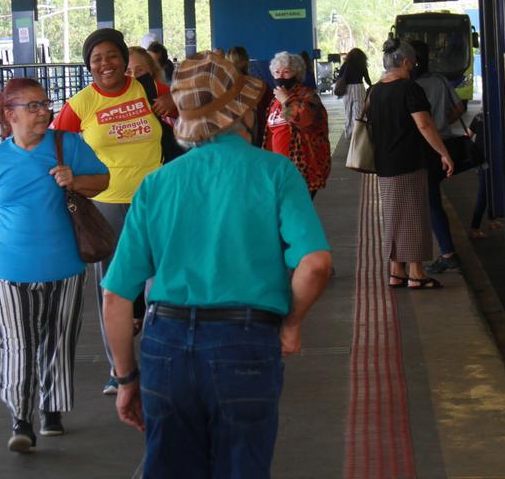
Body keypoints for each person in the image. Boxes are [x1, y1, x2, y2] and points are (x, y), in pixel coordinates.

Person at [102, 51, 333, 477]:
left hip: (165, 344)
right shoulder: (276, 172)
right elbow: (315, 264)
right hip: (245, 342)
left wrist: (126, 379)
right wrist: (293, 322)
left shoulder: (157, 184)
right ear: (242, 107)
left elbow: (116, 296)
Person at [0, 78, 109, 451]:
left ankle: (52, 409)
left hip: (63, 268)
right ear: (9, 113)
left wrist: (74, 180)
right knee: (18, 346)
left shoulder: (68, 146)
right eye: (33, 106)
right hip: (6, 270)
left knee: (59, 341)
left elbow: (103, 180)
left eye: (45, 104)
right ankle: (21, 418)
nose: (43, 111)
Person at [54, 28, 166, 394]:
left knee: (158, 287)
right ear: (88, 65)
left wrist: (176, 106)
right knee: (114, 290)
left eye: (112, 56)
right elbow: (53, 147)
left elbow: (187, 112)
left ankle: (156, 362)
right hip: (105, 205)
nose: (106, 64)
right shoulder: (81, 104)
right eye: (96, 59)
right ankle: (120, 371)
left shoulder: (147, 89)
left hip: (155, 201)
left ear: (124, 58)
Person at [368, 39, 454, 290]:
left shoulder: (374, 90)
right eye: (413, 61)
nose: (415, 65)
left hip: (384, 162)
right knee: (415, 216)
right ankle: (416, 273)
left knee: (394, 216)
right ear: (406, 62)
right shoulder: (409, 89)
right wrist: (444, 153)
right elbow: (425, 125)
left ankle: (396, 271)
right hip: (410, 160)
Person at [411, 40, 466, 274]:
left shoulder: (408, 86)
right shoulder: (440, 81)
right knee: (432, 200)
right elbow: (459, 108)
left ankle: (447, 252)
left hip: (422, 149)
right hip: (443, 143)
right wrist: (442, 124)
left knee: (430, 203)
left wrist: (430, 127)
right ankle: (445, 251)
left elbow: (420, 124)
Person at [263, 51, 332, 198]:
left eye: (286, 72)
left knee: (296, 212)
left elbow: (305, 119)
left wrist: (286, 100)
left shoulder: (307, 95)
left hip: (302, 169)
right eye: (277, 72)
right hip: (279, 169)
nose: (280, 76)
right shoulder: (276, 98)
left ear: (297, 74)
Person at [228, 45, 271, 146]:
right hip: (257, 138)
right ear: (247, 61)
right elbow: (270, 112)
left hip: (231, 139)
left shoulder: (222, 88)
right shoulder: (261, 86)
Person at [336, 48, 372, 141]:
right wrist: (371, 86)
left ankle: (348, 134)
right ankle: (358, 134)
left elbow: (339, 77)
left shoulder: (345, 64)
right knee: (359, 113)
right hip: (359, 88)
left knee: (348, 112)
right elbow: (367, 79)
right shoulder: (361, 65)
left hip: (347, 89)